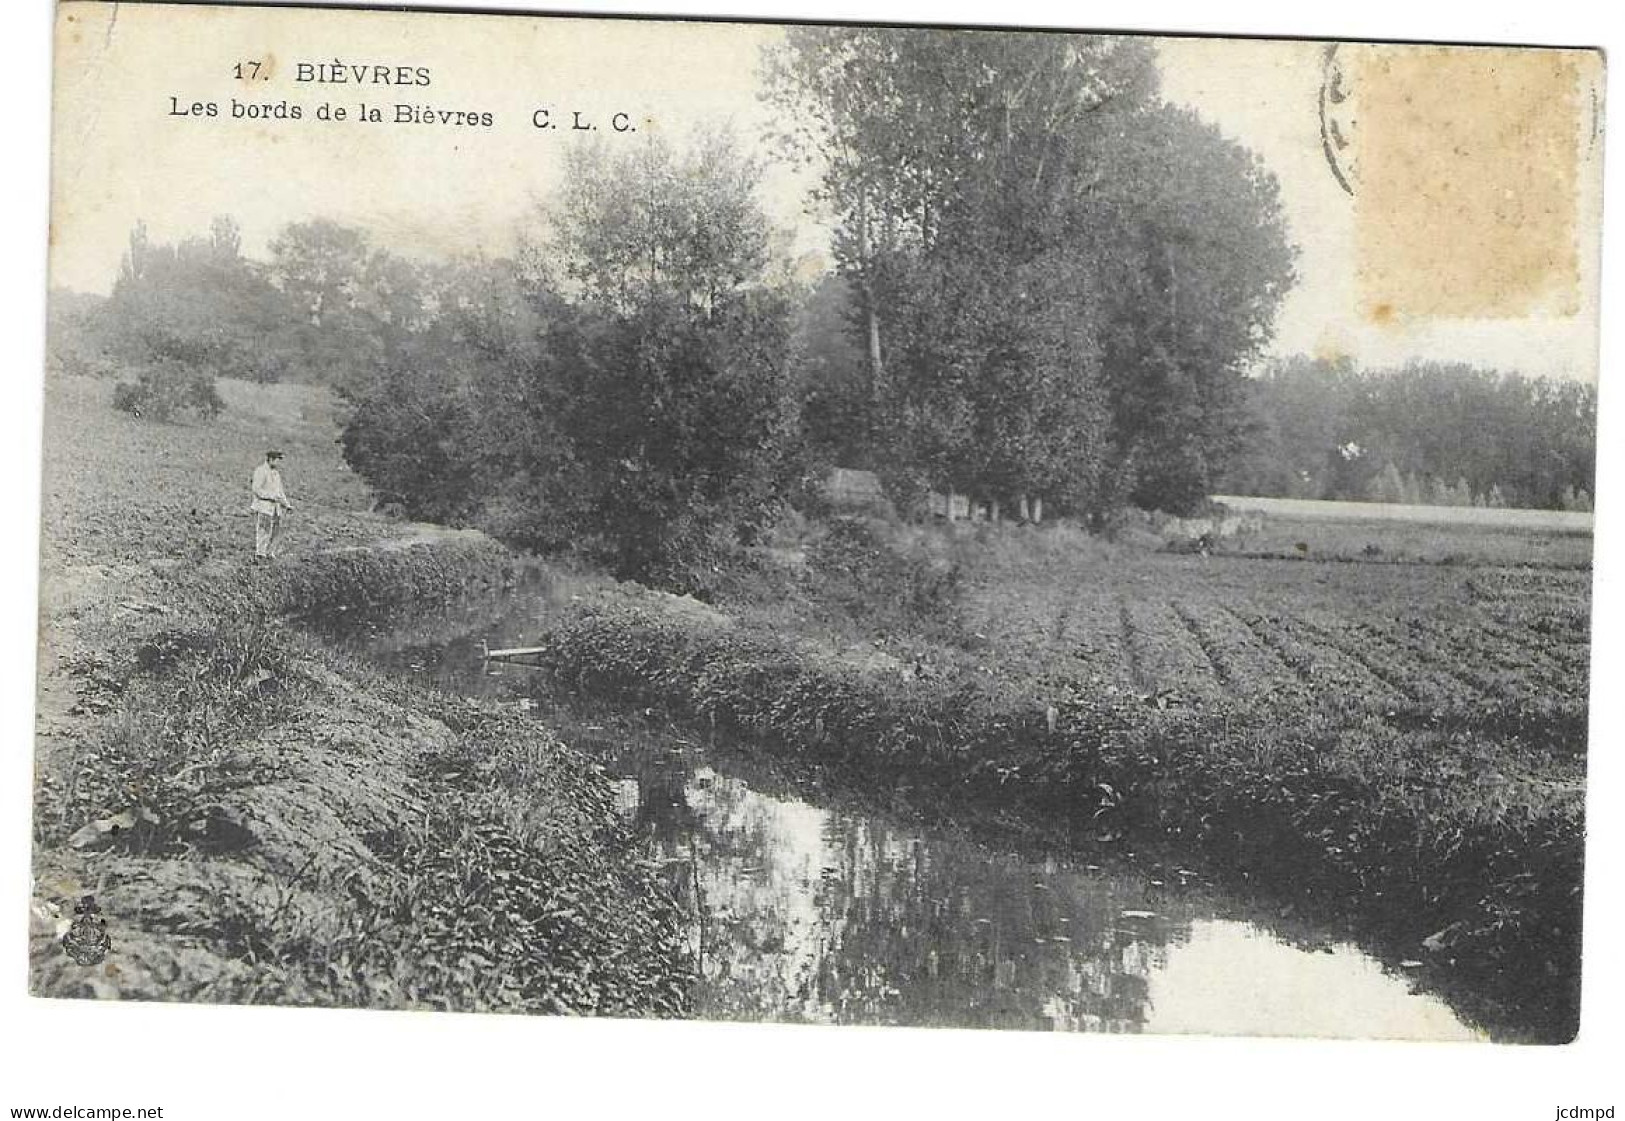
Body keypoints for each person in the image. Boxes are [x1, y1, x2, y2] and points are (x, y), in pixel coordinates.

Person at [250, 449, 295, 561]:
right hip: (263, 506)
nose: (278, 463)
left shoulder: (276, 474)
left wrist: (287, 505)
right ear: (270, 459)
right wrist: (270, 496)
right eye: (277, 460)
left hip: (275, 508)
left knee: (275, 530)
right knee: (263, 529)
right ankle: (260, 553)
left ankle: (270, 552)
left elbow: (280, 492)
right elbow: (256, 489)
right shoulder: (261, 471)